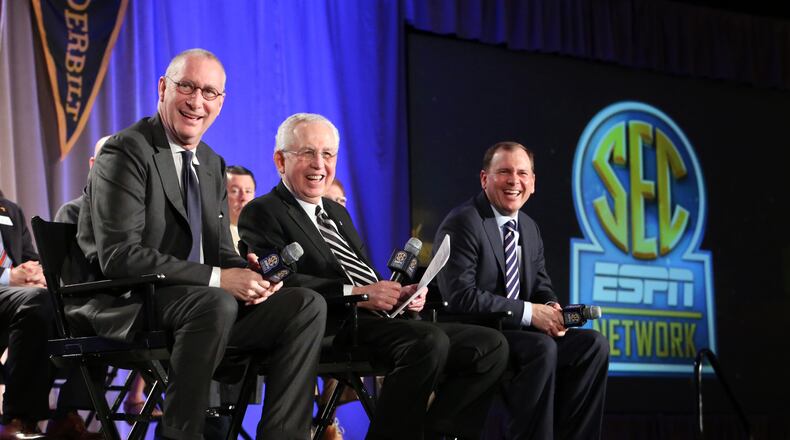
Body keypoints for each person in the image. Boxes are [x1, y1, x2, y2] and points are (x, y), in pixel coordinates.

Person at [75, 49, 326, 440]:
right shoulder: (126, 150)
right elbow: (119, 256)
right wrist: (219, 279)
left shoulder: (211, 163)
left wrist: (249, 271)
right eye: (187, 87)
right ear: (163, 88)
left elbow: (219, 250)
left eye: (210, 92)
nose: (197, 102)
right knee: (216, 299)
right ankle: (181, 434)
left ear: (221, 103)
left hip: (201, 306)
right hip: (133, 298)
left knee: (306, 304)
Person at [239, 112, 509, 440]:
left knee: (491, 345)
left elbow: (358, 270)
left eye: (327, 155)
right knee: (428, 342)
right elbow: (281, 283)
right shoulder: (263, 211)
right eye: (307, 153)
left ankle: (432, 433)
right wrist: (361, 293)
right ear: (280, 161)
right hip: (331, 327)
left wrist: (400, 294)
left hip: (379, 320)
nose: (319, 164)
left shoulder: (336, 212)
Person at [434, 141, 609, 440]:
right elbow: (459, 296)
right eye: (504, 172)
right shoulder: (464, 222)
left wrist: (552, 310)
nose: (514, 180)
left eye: (522, 173)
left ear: (533, 182)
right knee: (541, 348)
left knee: (592, 346)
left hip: (518, 332)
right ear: (484, 178)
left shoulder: (528, 227)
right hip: (476, 334)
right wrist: (530, 313)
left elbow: (539, 284)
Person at [0, 197, 101, 439]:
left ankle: (67, 414)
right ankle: (18, 418)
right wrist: (7, 276)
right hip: (9, 291)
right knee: (38, 301)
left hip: (18, 297)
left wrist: (40, 274)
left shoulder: (9, 209)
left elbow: (29, 257)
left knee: (87, 303)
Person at [225, 165, 256, 254]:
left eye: (248, 191)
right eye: (235, 191)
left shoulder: (266, 233)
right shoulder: (212, 235)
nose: (243, 198)